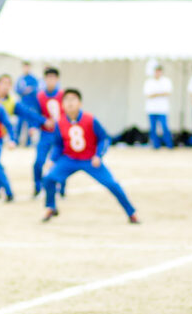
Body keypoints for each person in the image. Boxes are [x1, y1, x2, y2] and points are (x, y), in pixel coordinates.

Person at [42, 88, 139, 224]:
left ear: (80, 103)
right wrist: (52, 159)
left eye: (73, 100)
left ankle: (131, 212)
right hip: (69, 159)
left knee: (112, 184)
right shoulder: (60, 122)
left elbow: (104, 139)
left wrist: (98, 155)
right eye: (66, 100)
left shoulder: (90, 119)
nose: (70, 103)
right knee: (48, 178)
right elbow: (58, 144)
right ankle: (51, 207)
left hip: (90, 159)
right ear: (62, 104)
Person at [34, 67, 65, 195]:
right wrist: (42, 121)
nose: (51, 80)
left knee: (61, 161)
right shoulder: (40, 96)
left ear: (57, 80)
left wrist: (60, 123)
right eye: (48, 78)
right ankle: (37, 187)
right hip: (45, 133)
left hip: (60, 134)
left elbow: (67, 114)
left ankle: (61, 189)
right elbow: (35, 114)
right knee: (39, 162)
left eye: (53, 78)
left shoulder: (63, 95)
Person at [143, 65, 173, 149]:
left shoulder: (166, 81)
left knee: (164, 126)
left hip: (162, 109)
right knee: (152, 128)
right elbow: (148, 95)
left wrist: (155, 94)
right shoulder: (149, 82)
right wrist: (160, 93)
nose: (157, 73)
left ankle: (169, 144)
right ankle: (155, 145)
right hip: (151, 109)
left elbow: (167, 93)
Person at [14, 61, 40, 147]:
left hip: (31, 105)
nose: (26, 69)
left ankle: (28, 143)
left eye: (27, 67)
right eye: (24, 67)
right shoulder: (20, 79)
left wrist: (28, 90)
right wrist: (25, 91)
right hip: (22, 105)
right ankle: (16, 141)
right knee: (19, 124)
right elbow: (17, 90)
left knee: (30, 124)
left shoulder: (33, 79)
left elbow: (35, 90)